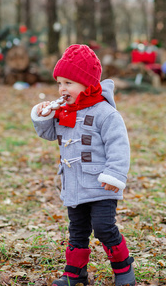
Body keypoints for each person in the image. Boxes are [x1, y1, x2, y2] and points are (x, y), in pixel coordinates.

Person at [31, 44, 136, 286]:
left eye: (68, 82)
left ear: (86, 83)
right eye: (59, 83)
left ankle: (123, 267)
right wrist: (44, 115)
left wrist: (114, 174)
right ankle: (75, 273)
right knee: (77, 230)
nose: (62, 88)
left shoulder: (105, 113)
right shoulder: (65, 110)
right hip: (75, 183)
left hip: (101, 184)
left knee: (103, 227)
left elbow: (119, 146)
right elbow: (48, 134)